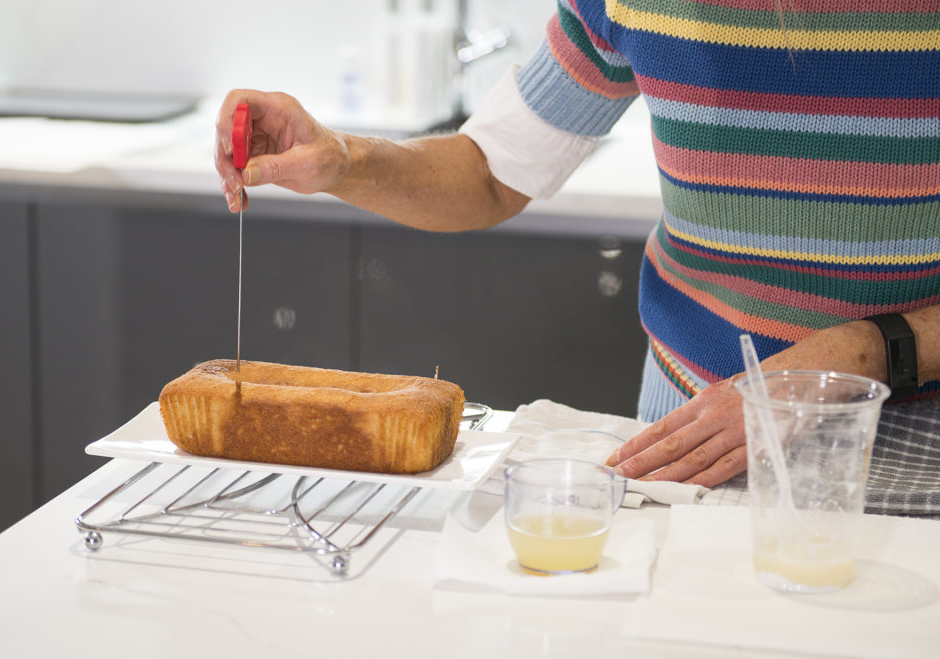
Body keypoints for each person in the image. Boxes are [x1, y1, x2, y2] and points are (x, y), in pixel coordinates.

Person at [213, 1, 940, 495]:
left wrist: (868, 351)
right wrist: (343, 159)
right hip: (687, 447)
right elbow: (490, 171)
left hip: (915, 458)